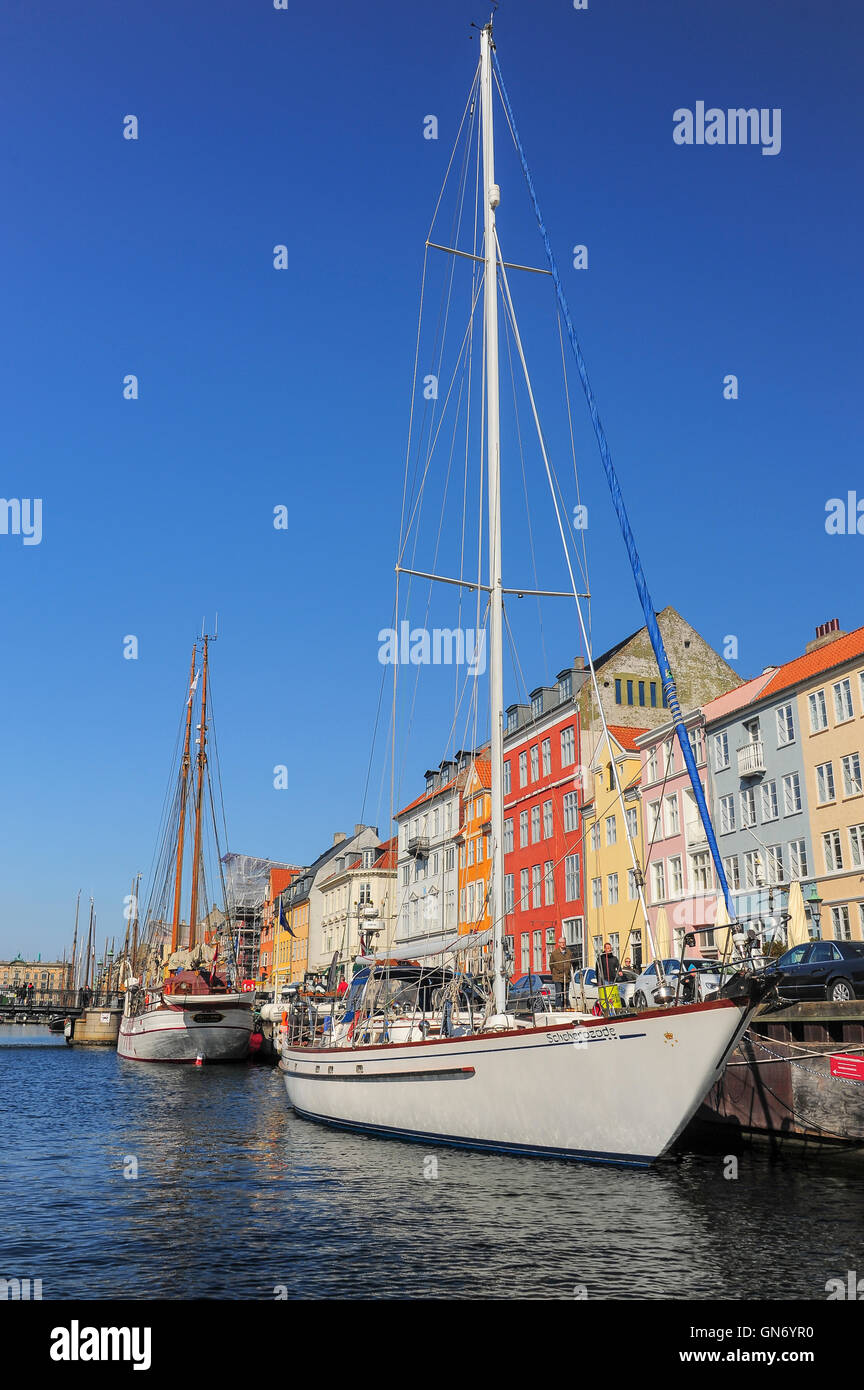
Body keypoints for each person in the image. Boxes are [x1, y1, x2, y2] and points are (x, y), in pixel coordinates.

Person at [548, 936, 571, 1008]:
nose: (563, 944)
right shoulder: (554, 953)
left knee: (566, 993)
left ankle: (566, 1006)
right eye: (561, 943)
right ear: (558, 944)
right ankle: (558, 1006)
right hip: (557, 976)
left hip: (566, 976)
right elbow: (551, 964)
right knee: (558, 993)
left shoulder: (569, 952)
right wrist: (555, 972)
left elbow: (571, 962)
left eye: (564, 942)